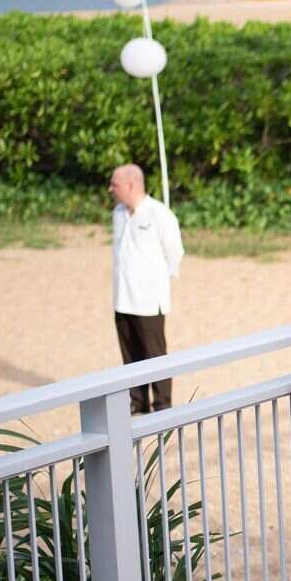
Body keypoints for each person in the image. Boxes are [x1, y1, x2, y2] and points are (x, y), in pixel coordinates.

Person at [109, 163, 184, 414]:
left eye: (115, 185)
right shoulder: (118, 213)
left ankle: (162, 406)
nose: (110, 189)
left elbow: (175, 253)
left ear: (131, 185)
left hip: (149, 301)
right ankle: (137, 401)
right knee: (130, 355)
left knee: (155, 355)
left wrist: (158, 282)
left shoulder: (160, 214)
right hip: (122, 298)